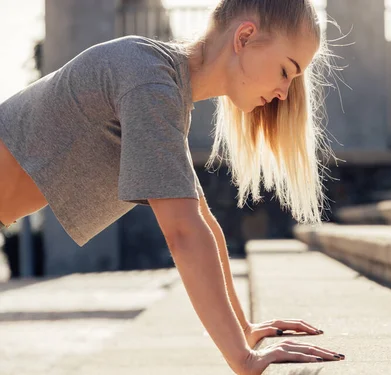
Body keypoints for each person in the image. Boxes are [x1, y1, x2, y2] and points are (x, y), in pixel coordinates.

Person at [0, 0, 345, 373]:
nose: (284, 92)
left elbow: (201, 221)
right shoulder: (149, 79)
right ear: (244, 37)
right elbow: (182, 232)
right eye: (285, 71)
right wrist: (243, 360)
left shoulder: (164, 86)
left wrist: (244, 331)